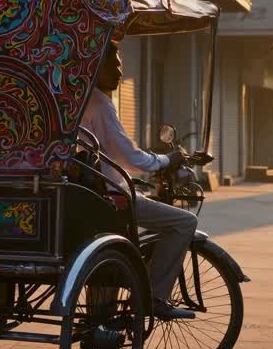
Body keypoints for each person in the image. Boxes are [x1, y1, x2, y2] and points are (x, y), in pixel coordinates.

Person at [79, 42, 198, 320]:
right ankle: (154, 296)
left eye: (121, 64)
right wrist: (167, 160)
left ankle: (106, 308)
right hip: (106, 196)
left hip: (87, 191)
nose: (120, 71)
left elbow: (111, 155)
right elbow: (129, 156)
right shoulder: (99, 103)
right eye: (114, 64)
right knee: (184, 222)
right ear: (96, 65)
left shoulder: (78, 99)